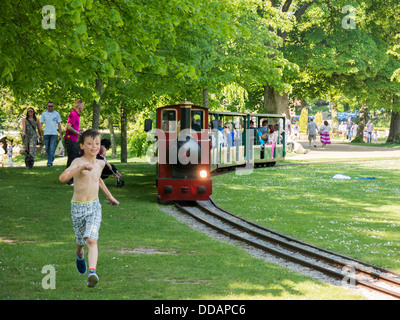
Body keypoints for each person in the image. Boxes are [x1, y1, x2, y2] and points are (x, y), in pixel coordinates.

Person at [59, 129, 119, 288]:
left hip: (94, 206)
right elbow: (63, 178)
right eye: (90, 143)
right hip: (78, 207)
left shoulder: (100, 163)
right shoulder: (78, 162)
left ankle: (92, 272)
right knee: (80, 241)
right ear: (82, 145)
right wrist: (80, 169)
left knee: (91, 239)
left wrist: (109, 195)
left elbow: (97, 179)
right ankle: (79, 255)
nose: (94, 146)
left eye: (97, 143)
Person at [64, 100, 84, 185]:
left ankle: (74, 178)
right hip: (70, 140)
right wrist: (77, 132)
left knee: (76, 159)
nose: (83, 108)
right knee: (72, 160)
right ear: (79, 107)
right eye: (83, 106)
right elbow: (68, 127)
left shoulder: (76, 114)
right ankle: (69, 179)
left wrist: (78, 131)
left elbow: (72, 127)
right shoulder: (74, 114)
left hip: (73, 140)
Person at [40, 102, 62, 167]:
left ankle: (49, 162)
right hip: (46, 133)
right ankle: (51, 158)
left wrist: (60, 134)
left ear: (53, 106)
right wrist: (39, 133)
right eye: (49, 106)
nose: (50, 107)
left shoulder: (56, 114)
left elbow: (59, 124)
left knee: (52, 148)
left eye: (52, 106)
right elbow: (41, 124)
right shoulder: (44, 114)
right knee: (47, 148)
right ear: (47, 106)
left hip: (54, 134)